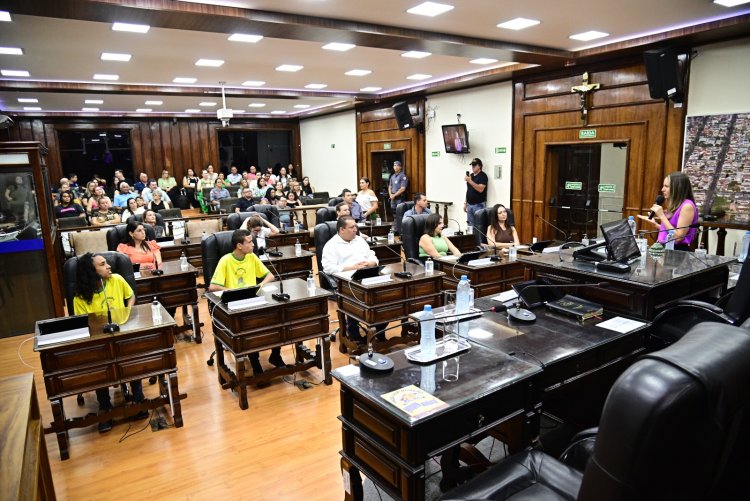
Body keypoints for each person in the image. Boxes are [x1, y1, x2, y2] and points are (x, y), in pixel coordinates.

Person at [72, 253, 146, 432]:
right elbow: (83, 324)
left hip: (122, 332)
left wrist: (127, 313)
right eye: (103, 264)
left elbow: (131, 296)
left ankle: (138, 398)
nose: (109, 267)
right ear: (92, 271)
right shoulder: (80, 298)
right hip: (98, 340)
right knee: (99, 362)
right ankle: (105, 406)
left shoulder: (117, 280)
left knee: (131, 352)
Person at [208, 229, 286, 374]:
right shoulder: (225, 260)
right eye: (249, 242)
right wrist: (231, 290)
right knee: (249, 327)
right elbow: (212, 286)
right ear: (239, 245)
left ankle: (275, 355)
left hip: (252, 298)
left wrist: (259, 287)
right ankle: (255, 361)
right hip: (234, 302)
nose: (253, 245)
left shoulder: (252, 257)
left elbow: (270, 276)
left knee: (277, 317)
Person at [321, 216, 379, 344]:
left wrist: (371, 263)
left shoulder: (360, 241)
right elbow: (328, 268)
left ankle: (378, 332)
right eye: (352, 227)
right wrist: (350, 267)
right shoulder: (331, 245)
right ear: (342, 230)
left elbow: (373, 256)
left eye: (356, 226)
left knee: (384, 299)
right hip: (347, 281)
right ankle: (354, 335)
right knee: (356, 301)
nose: (355, 229)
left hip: (367, 275)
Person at [637, 171, 698, 250]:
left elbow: (678, 237)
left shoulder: (687, 206)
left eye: (666, 186)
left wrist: (662, 216)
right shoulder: (676, 205)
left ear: (677, 188)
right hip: (664, 247)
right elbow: (671, 231)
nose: (662, 189)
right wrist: (656, 225)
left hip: (676, 251)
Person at [464, 158, 488, 228]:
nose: (473, 167)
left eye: (475, 165)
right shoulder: (471, 176)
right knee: (470, 226)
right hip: (469, 204)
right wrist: (465, 203)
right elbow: (468, 190)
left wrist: (469, 181)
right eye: (472, 165)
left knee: (479, 226)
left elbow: (480, 189)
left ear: (480, 166)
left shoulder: (483, 176)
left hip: (478, 205)